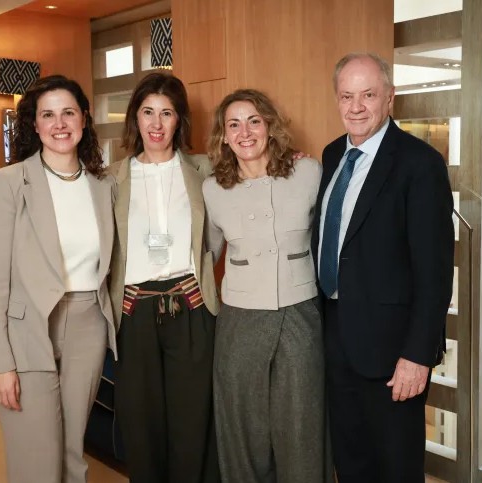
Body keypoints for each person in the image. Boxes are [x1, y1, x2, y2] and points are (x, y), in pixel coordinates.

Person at [313, 52, 455, 482]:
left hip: (394, 353)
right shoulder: (332, 154)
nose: (356, 107)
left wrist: (418, 355)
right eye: (347, 96)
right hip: (336, 337)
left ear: (389, 97)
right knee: (351, 464)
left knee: (396, 469)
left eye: (368, 95)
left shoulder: (420, 164)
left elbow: (435, 273)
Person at [0, 75, 118, 483]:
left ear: (84, 119)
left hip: (88, 325)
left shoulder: (104, 184)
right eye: (48, 115)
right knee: (36, 457)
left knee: (72, 453)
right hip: (25, 330)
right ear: (34, 125)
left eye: (68, 113)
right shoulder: (7, 183)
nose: (59, 124)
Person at [204, 89, 331, 483]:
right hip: (239, 320)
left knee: (302, 427)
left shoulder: (308, 172)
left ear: (269, 126)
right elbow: (207, 254)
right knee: (243, 430)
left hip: (300, 315)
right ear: (224, 136)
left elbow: (330, 239)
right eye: (234, 124)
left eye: (254, 121)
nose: (245, 132)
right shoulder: (212, 189)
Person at [108, 72, 220, 483]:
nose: (156, 124)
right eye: (148, 112)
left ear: (179, 120)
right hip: (134, 312)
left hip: (191, 307)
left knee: (193, 423)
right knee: (142, 428)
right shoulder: (110, 178)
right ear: (135, 118)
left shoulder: (204, 169)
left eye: (167, 113)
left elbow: (224, 228)